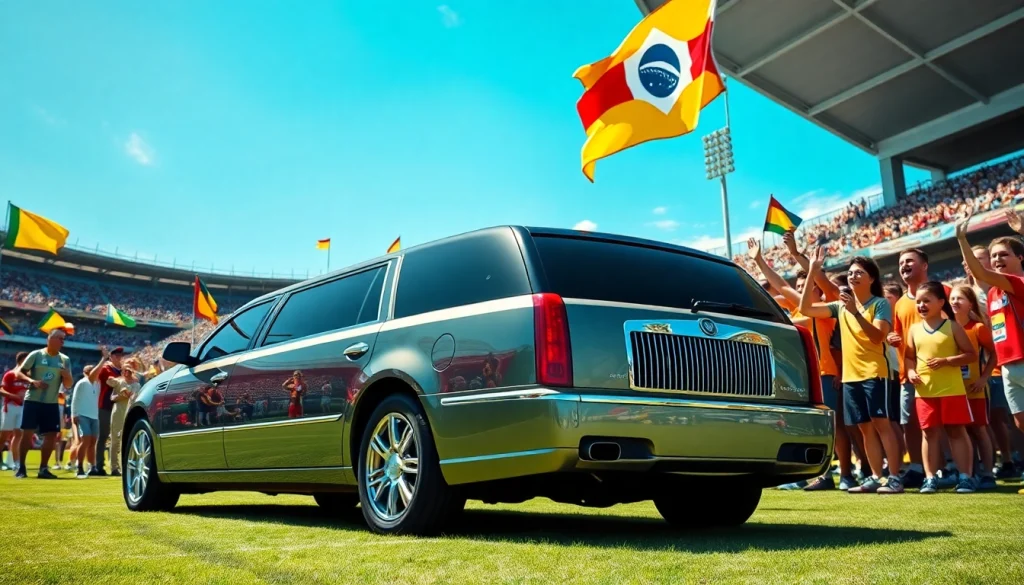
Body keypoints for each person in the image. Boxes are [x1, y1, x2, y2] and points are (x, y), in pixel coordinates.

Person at [747, 239, 854, 490]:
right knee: (805, 427)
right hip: (800, 376)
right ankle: (810, 474)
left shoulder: (827, 310)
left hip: (825, 374)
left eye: (805, 284)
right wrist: (759, 260)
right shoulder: (797, 311)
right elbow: (780, 286)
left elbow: (815, 280)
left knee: (833, 427)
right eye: (799, 285)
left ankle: (845, 475)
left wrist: (800, 255)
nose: (800, 289)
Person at [799, 249, 905, 494]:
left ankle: (895, 478)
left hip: (875, 373)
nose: (853, 276)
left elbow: (878, 336)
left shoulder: (880, 304)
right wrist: (813, 272)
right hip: (850, 376)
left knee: (882, 425)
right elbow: (805, 309)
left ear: (871, 279)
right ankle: (876, 477)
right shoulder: (838, 306)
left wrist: (856, 312)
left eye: (860, 273)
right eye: (851, 272)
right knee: (865, 428)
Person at [957, 212, 1024, 493]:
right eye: (994, 255)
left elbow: (982, 272)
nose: (997, 260)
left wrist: (961, 238)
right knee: (1021, 423)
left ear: (1020, 258)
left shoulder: (1018, 283)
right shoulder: (995, 293)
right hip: (1007, 366)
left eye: (1003, 255)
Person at [905, 282, 979, 493]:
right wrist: (910, 372)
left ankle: (965, 477)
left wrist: (947, 361)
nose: (921, 305)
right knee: (928, 433)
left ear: (940, 302)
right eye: (918, 302)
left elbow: (971, 355)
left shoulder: (952, 326)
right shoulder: (914, 330)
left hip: (952, 390)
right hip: (925, 392)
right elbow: (909, 358)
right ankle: (930, 478)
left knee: (956, 431)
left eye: (926, 301)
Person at [886, 248, 945, 488]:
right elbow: (898, 334)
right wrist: (893, 338)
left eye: (910, 260)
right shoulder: (899, 303)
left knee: (941, 423)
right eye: (901, 262)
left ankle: (945, 467)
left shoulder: (943, 293)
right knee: (908, 422)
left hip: (938, 370)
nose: (904, 265)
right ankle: (918, 469)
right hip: (908, 374)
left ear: (925, 265)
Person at [950, 284, 998, 490]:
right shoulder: (947, 328)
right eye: (952, 298)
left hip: (976, 390)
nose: (955, 302)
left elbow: (994, 354)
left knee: (980, 430)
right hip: (954, 390)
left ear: (970, 303)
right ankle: (971, 473)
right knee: (963, 432)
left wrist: (984, 378)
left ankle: (988, 473)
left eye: (960, 298)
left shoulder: (977, 328)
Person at [12, 330, 73, 479]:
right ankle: (21, 468)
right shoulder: (36, 355)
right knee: (27, 433)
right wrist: (33, 381)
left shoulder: (65, 359)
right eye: (59, 338)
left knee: (51, 435)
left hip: (51, 403)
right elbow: (18, 373)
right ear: (49, 339)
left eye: (63, 339)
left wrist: (66, 376)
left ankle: (43, 469)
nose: (62, 341)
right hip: (32, 400)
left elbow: (68, 384)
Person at [95, 347, 125, 475]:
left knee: (117, 437)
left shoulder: (124, 370)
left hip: (119, 407)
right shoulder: (107, 368)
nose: (119, 357)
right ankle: (99, 465)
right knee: (103, 435)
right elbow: (113, 381)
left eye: (120, 355)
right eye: (116, 355)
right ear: (111, 357)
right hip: (106, 406)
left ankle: (116, 466)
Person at [106, 365, 141, 475]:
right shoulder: (119, 381)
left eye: (129, 370)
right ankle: (114, 467)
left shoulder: (136, 384)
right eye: (124, 370)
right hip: (118, 412)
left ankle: (125, 466)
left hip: (129, 412)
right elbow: (109, 382)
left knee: (125, 440)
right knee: (115, 439)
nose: (127, 372)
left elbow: (133, 396)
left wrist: (124, 395)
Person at [0, 352, 30, 474]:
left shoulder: (27, 377)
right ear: (19, 362)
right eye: (25, 361)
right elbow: (1, 389)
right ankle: (1, 461)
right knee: (3, 436)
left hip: (22, 408)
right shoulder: (10, 375)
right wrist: (14, 396)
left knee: (19, 434)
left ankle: (15, 461)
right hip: (10, 406)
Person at [70, 364, 101, 479]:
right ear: (85, 372)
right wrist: (74, 414)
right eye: (89, 370)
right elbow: (75, 399)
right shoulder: (81, 383)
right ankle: (80, 467)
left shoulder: (97, 384)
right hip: (82, 415)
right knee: (85, 440)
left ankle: (92, 466)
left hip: (94, 416)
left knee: (93, 442)